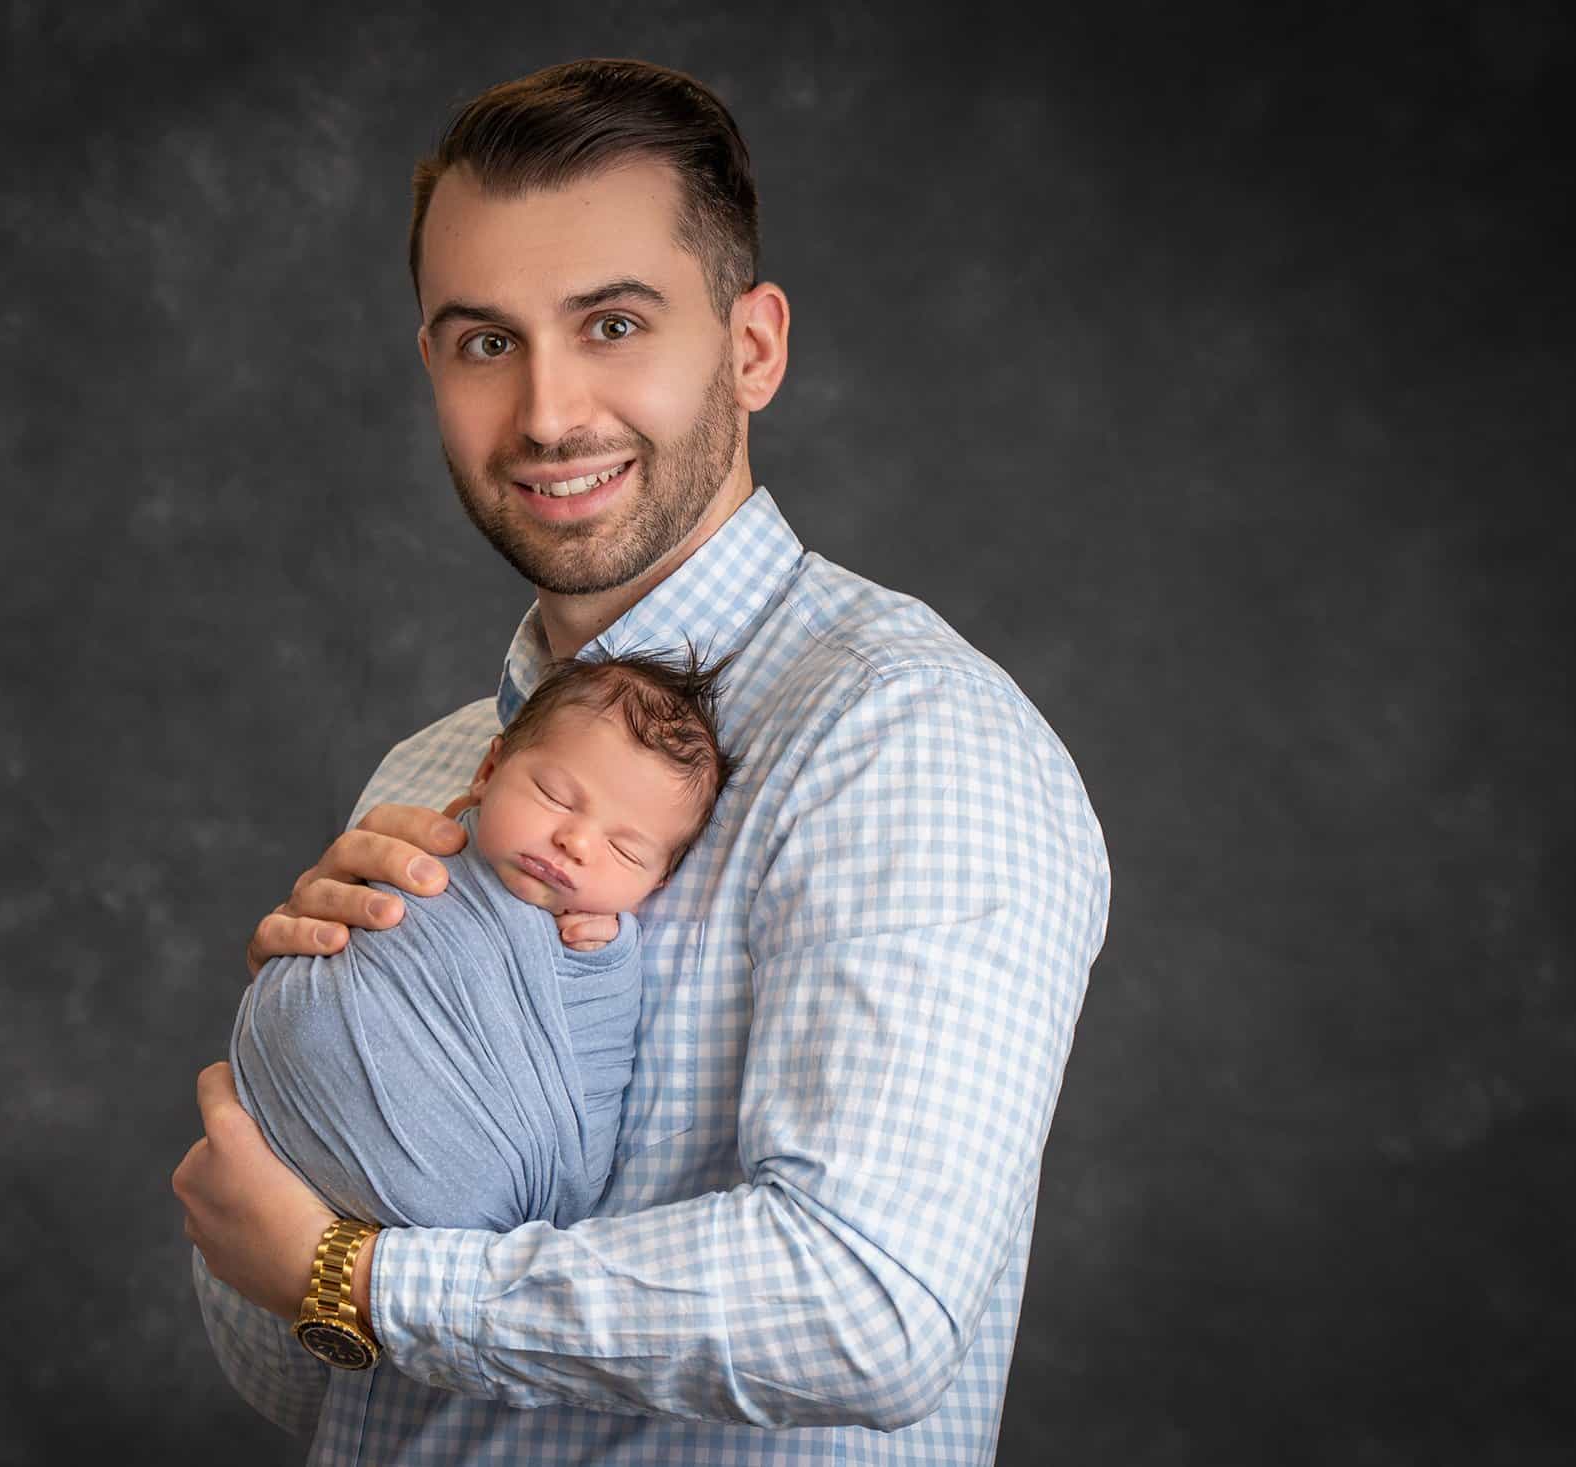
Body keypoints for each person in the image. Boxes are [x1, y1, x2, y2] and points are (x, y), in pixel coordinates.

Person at [173, 56, 1111, 1465]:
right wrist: (321, 1067)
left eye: (612, 322)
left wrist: (360, 1279)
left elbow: (868, 1304)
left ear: (752, 346)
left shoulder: (905, 735)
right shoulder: (427, 772)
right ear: (432, 362)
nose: (549, 412)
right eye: (486, 341)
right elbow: (305, 1367)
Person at [228, 650, 738, 1242]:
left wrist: (605, 966)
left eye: (625, 851)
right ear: (489, 771)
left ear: (659, 883)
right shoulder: (417, 844)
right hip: (269, 1116)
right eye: (555, 796)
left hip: (435, 1217)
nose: (575, 840)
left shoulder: (603, 955)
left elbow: (592, 1093)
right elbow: (335, 941)